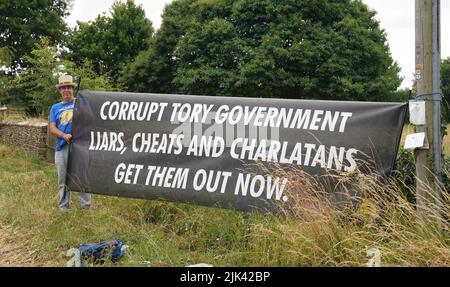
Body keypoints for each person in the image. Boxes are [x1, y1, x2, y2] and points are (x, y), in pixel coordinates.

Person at [49, 75, 91, 212]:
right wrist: (63, 135)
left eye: (68, 87)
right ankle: (64, 208)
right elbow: (52, 127)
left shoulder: (81, 103)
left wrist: (82, 106)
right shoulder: (55, 108)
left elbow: (91, 118)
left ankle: (86, 207)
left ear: (72, 89)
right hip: (62, 147)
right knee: (63, 179)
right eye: (63, 88)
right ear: (60, 91)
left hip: (79, 146)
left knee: (81, 177)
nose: (66, 90)